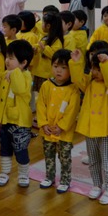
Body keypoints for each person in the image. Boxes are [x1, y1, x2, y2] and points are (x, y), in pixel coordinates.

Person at [72, 48, 108, 203]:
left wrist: (107, 63)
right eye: (94, 68)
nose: (95, 72)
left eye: (99, 69)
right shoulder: (89, 84)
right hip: (90, 129)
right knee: (94, 160)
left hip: (107, 130)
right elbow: (78, 79)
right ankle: (96, 185)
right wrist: (76, 63)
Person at [36, 50, 81, 194]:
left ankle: (65, 180)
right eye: (55, 66)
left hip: (63, 132)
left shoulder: (73, 89)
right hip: (47, 129)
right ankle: (49, 177)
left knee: (65, 157)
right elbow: (40, 105)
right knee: (48, 155)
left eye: (63, 67)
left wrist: (61, 127)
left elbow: (73, 111)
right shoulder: (46, 85)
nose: (58, 70)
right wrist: (43, 123)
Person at [0, 40, 34, 188]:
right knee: (4, 148)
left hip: (20, 123)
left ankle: (23, 174)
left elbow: (19, 90)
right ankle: (5, 172)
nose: (7, 61)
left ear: (23, 63)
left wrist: (14, 72)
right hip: (5, 119)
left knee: (20, 149)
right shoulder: (7, 72)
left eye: (11, 58)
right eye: (7, 57)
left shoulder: (26, 76)